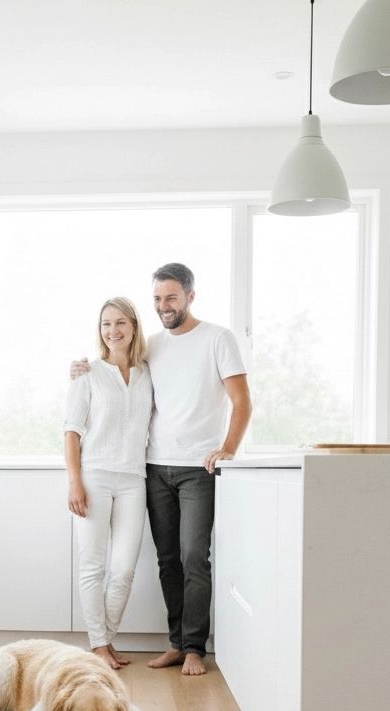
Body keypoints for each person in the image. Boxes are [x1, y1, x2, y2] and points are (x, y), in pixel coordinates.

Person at [71, 263, 250, 676]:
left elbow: (242, 402)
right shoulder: (150, 345)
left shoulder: (218, 338)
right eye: (156, 299)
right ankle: (175, 642)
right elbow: (115, 363)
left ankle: (194, 648)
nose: (163, 306)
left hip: (197, 469)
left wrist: (227, 449)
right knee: (168, 559)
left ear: (190, 296)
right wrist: (79, 369)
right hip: (152, 468)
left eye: (171, 297)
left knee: (193, 557)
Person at [63, 297, 154, 670]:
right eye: (105, 324)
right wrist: (75, 483)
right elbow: (71, 431)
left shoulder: (149, 372)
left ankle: (106, 639)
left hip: (134, 478)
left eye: (120, 323)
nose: (112, 331)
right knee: (93, 566)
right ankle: (98, 644)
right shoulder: (88, 374)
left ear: (133, 326)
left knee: (124, 568)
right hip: (94, 475)